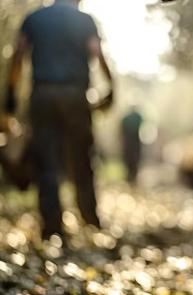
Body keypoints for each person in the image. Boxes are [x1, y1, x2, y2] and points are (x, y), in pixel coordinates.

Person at [5, 0, 113, 240]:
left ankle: (53, 227)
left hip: (43, 95)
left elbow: (19, 53)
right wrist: (110, 84)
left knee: (47, 160)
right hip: (76, 95)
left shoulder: (35, 18)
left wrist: (10, 93)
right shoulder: (84, 20)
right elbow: (96, 52)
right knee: (81, 157)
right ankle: (90, 218)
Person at [120, 108, 143, 183]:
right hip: (134, 141)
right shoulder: (138, 117)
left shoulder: (126, 118)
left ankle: (131, 176)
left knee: (130, 158)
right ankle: (132, 176)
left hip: (130, 141)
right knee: (133, 158)